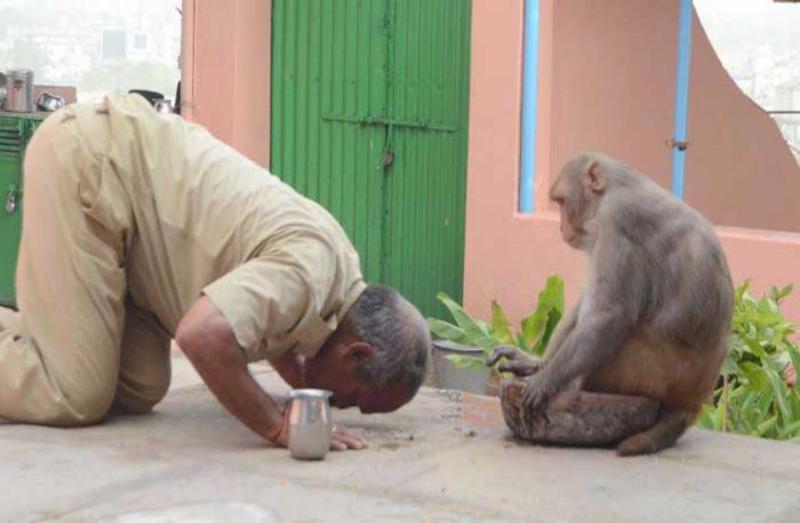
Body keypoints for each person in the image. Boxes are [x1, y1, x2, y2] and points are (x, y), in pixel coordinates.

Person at [0, 94, 430, 451]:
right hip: (92, 161)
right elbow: (201, 335)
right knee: (77, 393)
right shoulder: (308, 271)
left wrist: (300, 383)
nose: (341, 406)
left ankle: (49, 336)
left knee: (139, 387)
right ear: (356, 354)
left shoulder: (336, 280)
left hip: (132, 235)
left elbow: (274, 324)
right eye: (355, 400)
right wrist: (276, 425)